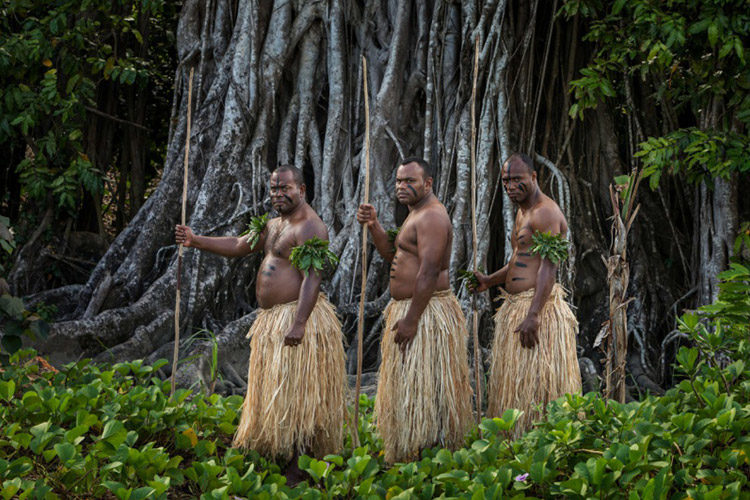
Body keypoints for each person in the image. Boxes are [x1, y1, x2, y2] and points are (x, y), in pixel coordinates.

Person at [175, 165, 345, 481]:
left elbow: (313, 277)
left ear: (302, 190)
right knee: (279, 391)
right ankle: (278, 451)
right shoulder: (274, 224)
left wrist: (299, 322)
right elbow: (240, 245)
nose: (278, 194)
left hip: (296, 317)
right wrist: (196, 240)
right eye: (273, 189)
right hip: (271, 321)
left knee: (301, 393)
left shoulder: (310, 227)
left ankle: (302, 464)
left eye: (285, 189)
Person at [357, 157, 472, 464]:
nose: (402, 186)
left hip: (424, 313)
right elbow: (391, 254)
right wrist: (374, 225)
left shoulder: (432, 217)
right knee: (410, 387)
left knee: (427, 387)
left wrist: (411, 320)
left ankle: (430, 454)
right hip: (410, 310)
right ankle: (412, 452)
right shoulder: (415, 214)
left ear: (428, 183)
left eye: (410, 181)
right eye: (398, 181)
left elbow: (430, 271)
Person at [472, 153, 581, 438]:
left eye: (517, 179)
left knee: (538, 386)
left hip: (537, 309)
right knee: (517, 389)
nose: (510, 186)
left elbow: (548, 266)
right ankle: (517, 439)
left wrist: (534, 314)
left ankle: (542, 439)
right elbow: (520, 260)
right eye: (506, 180)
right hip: (518, 307)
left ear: (534, 177)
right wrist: (489, 281)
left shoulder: (545, 212)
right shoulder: (523, 212)